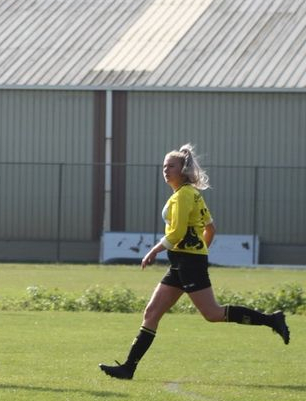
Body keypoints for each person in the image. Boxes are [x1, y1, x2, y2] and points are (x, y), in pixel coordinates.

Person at [99, 144, 291, 380]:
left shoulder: (183, 196)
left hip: (188, 262)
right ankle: (128, 368)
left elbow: (177, 233)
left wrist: (154, 251)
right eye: (164, 166)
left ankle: (272, 320)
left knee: (212, 313)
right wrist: (200, 251)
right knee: (152, 312)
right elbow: (211, 229)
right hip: (183, 262)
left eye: (171, 166)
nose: (166, 170)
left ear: (183, 170)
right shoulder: (190, 193)